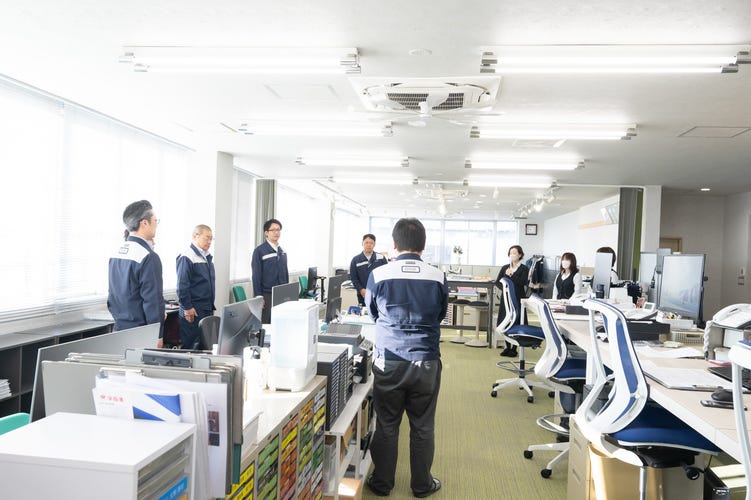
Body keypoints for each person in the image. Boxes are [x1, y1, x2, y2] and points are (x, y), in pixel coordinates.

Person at [365, 218, 448, 499]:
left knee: (387, 423)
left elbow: (373, 314)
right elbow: (440, 315)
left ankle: (382, 483)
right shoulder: (437, 276)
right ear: (423, 246)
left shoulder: (379, 274)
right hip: (426, 360)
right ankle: (422, 485)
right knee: (423, 425)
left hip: (389, 359)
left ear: (394, 244)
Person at [107, 200, 165, 347]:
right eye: (155, 220)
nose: (156, 224)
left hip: (119, 328)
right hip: (141, 333)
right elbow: (153, 301)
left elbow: (113, 295)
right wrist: (158, 335)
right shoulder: (148, 256)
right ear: (144, 223)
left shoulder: (116, 253)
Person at [176, 224, 216, 349]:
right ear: (195, 236)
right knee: (191, 346)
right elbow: (182, 286)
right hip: (193, 310)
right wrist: (187, 307)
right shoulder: (187, 256)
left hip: (205, 308)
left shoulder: (206, 256)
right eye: (207, 238)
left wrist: (210, 306)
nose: (209, 242)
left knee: (205, 345)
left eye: (211, 239)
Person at [251, 218, 289, 324]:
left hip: (281, 294)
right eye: (273, 230)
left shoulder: (282, 251)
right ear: (266, 233)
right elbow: (256, 275)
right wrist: (259, 296)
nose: (276, 232)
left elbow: (285, 273)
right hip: (267, 294)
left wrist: (287, 292)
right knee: (267, 324)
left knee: (280, 323)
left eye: (278, 230)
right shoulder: (259, 251)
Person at [494, 245, 529, 357]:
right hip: (506, 299)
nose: (512, 255)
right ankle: (507, 347)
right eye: (511, 253)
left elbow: (523, 282)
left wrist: (512, 275)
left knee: (516, 321)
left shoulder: (524, 268)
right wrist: (505, 287)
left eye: (514, 253)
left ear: (520, 255)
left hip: (518, 298)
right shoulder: (505, 267)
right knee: (506, 321)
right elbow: (498, 282)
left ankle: (514, 348)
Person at [349, 233, 388, 307]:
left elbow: (386, 275)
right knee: (364, 312)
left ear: (374, 244)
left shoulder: (381, 258)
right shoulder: (356, 260)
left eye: (371, 243)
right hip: (363, 294)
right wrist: (361, 290)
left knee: (379, 312)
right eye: (366, 242)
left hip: (379, 294)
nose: (368, 245)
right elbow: (353, 278)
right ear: (362, 244)